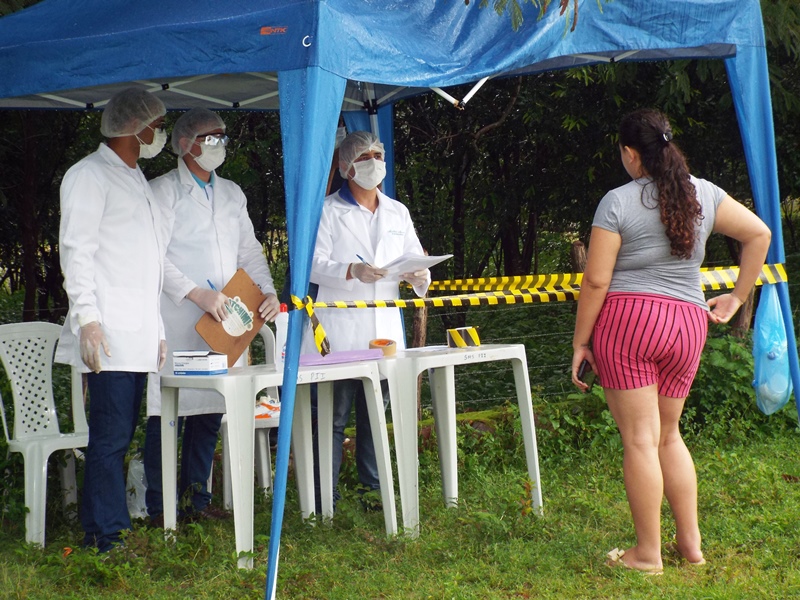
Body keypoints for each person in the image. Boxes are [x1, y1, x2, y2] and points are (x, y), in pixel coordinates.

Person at [571, 108, 771, 574]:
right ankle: (691, 546)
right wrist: (738, 297)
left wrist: (582, 342)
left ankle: (647, 554)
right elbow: (759, 233)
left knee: (640, 441)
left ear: (629, 153)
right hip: (687, 323)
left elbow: (597, 281)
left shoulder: (616, 202)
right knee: (668, 435)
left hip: (630, 324)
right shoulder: (704, 192)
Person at [143, 108, 280, 526]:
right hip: (178, 318)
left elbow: (249, 251)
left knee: (207, 410)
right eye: (210, 136)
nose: (218, 144)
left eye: (223, 136)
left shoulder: (232, 193)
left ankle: (196, 500)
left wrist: (267, 291)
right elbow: (153, 255)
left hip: (226, 321)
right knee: (166, 413)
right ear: (185, 143)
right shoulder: (161, 192)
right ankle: (159, 505)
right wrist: (195, 292)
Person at [55, 87, 169, 553]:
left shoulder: (135, 176)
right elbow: (76, 250)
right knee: (110, 436)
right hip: (107, 332)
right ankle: (109, 535)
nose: (158, 133)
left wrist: (158, 329)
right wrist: (87, 318)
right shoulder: (89, 176)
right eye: (156, 126)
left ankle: (99, 528)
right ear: (135, 127)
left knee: (119, 434)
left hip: (137, 331)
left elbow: (147, 262)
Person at [304, 130, 430, 510]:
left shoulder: (397, 211)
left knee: (377, 413)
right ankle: (324, 494)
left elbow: (414, 257)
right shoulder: (326, 210)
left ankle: (372, 491)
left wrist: (419, 276)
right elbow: (312, 263)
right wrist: (351, 271)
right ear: (346, 168)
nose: (374, 162)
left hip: (384, 328)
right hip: (341, 330)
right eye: (364, 157)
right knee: (333, 415)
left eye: (378, 154)